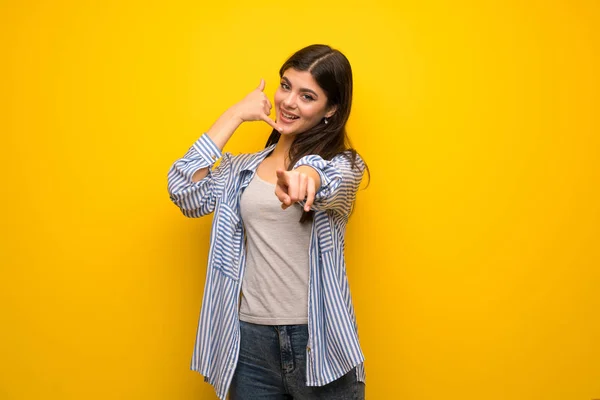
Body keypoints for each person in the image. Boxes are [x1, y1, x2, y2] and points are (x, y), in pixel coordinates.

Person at [167, 44, 368, 400]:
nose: (289, 102)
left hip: (320, 342)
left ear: (330, 109)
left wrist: (306, 172)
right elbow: (184, 190)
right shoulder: (238, 171)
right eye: (286, 86)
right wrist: (234, 115)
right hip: (251, 344)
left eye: (307, 96)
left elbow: (326, 183)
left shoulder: (344, 166)